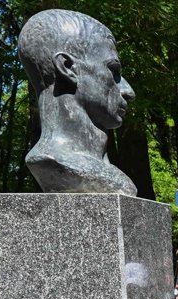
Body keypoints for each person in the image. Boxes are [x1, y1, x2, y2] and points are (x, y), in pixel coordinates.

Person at [17, 9, 137, 194]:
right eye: (113, 70)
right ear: (67, 67)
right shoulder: (51, 161)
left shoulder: (113, 174)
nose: (128, 92)